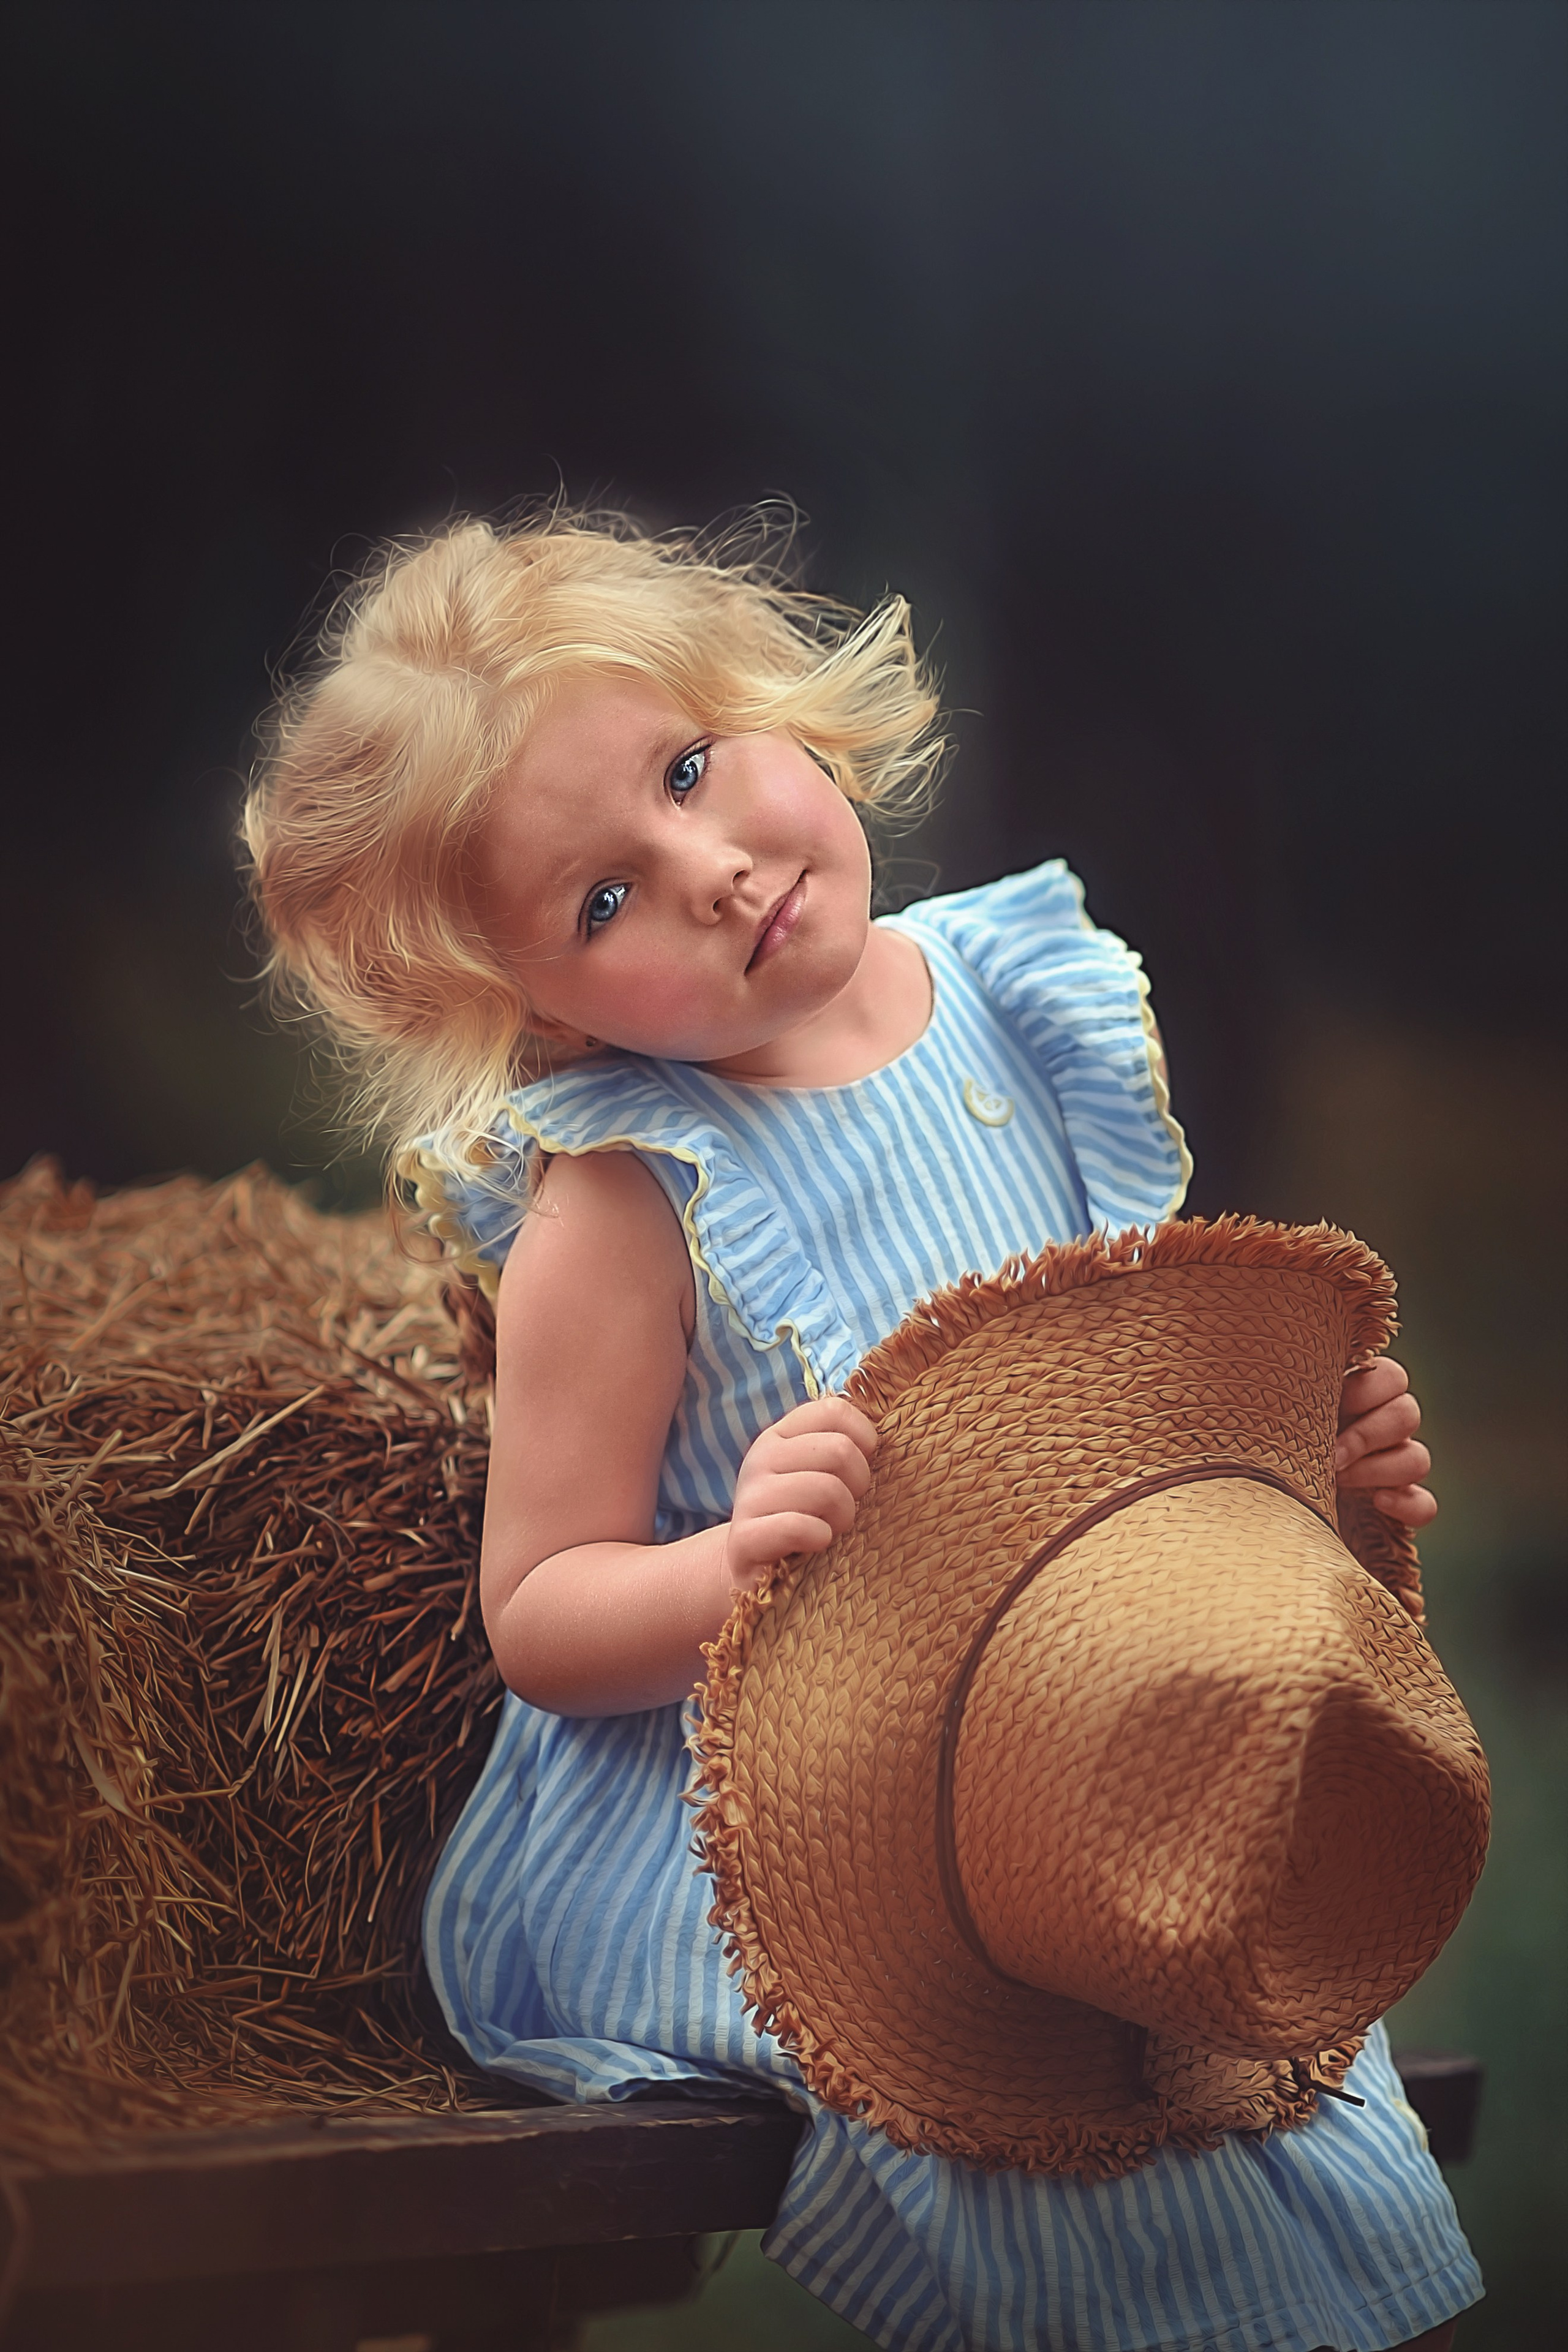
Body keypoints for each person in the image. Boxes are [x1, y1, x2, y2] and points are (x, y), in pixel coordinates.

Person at [244, 509, 1479, 2352]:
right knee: (1023, 2122)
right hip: (788, 1799)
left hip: (1083, 1745)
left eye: (688, 769)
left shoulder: (1014, 1002)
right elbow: (545, 1613)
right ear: (533, 1013)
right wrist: (732, 1569)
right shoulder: (629, 1198)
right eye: (600, 900)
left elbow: (1126, 1438)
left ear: (774, 709)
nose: (708, 869)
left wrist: (1307, 1469)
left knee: (1259, 2040)